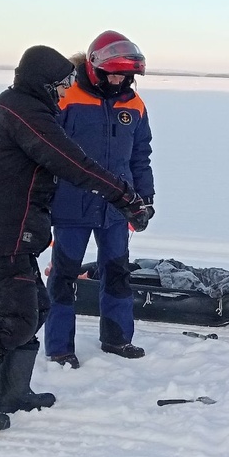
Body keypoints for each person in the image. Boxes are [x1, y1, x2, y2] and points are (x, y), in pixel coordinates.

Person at [0, 45, 152, 432]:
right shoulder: (23, 113)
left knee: (36, 308)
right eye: (61, 86)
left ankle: (12, 393)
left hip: (15, 229)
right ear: (44, 83)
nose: (64, 93)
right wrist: (123, 195)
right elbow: (71, 161)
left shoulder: (21, 107)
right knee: (15, 317)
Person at [44, 31, 154, 369]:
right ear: (95, 68)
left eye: (126, 76)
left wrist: (145, 198)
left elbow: (140, 156)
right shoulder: (66, 96)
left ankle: (118, 339)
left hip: (117, 208)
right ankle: (60, 348)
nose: (120, 80)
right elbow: (45, 150)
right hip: (70, 205)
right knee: (64, 275)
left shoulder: (133, 105)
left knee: (117, 271)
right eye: (114, 74)